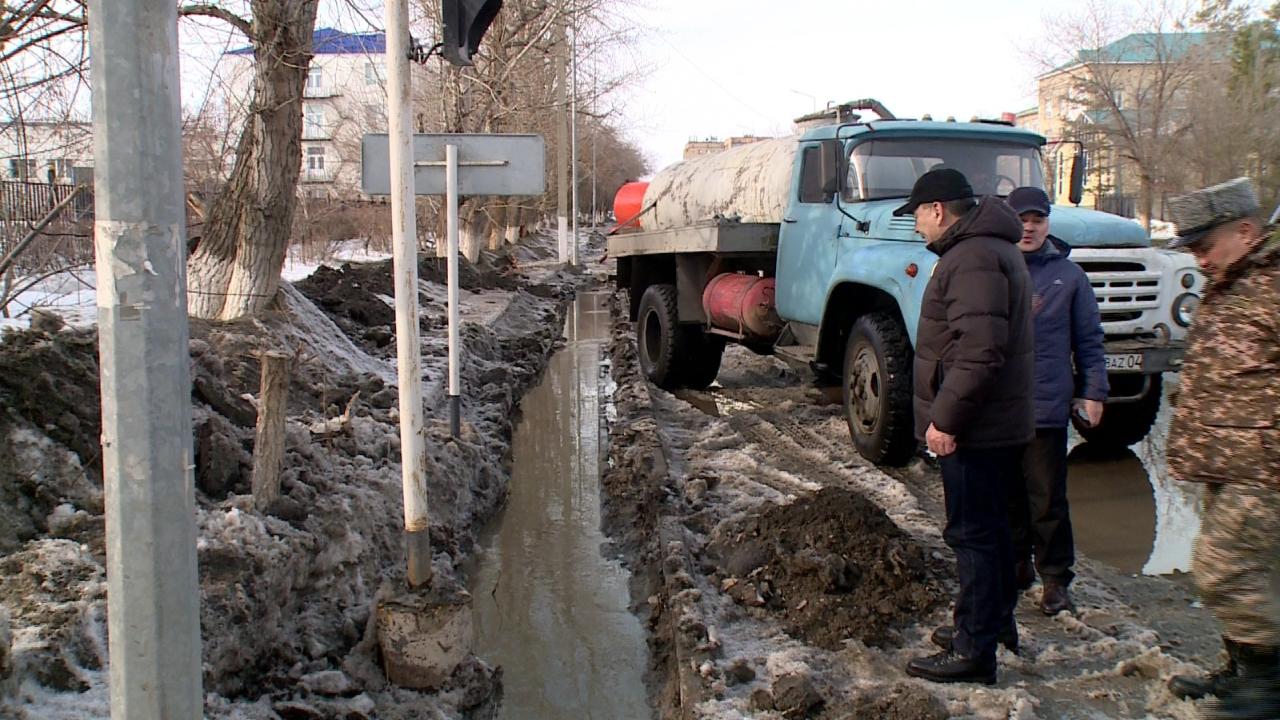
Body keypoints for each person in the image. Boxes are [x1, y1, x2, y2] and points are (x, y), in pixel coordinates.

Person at [896, 168, 1035, 685]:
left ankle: (973, 650)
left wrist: (945, 419)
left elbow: (979, 352)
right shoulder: (989, 248)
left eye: (916, 215)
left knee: (972, 535)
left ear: (937, 210)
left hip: (976, 425)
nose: (916, 227)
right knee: (994, 531)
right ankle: (993, 625)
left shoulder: (972, 256)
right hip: (996, 420)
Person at [1161, 177, 1280, 720]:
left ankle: (1267, 688)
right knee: (1251, 571)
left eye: (1203, 246)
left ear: (1247, 231)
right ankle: (1241, 668)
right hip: (1229, 464)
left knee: (1222, 567)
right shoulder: (1233, 284)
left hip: (1265, 465)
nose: (1197, 259)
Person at [1003, 186, 1108, 617]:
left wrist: (1094, 390)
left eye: (1038, 220)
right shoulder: (993, 269)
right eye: (1022, 220)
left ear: (1047, 224)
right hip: (998, 408)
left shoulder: (1070, 277)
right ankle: (1015, 565)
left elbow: (1089, 341)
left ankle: (1055, 579)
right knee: (1005, 495)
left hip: (1046, 406)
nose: (1029, 228)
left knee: (1047, 498)